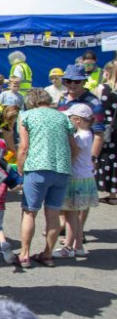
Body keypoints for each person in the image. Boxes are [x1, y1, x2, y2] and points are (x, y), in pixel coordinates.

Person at [16, 88, 75, 268]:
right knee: (53, 214)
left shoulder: (26, 116)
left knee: (29, 212)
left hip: (37, 167)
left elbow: (24, 147)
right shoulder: (63, 117)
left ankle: (24, 254)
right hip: (62, 169)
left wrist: (20, 167)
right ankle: (48, 254)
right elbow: (74, 146)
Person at [56, 64, 106, 238]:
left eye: (76, 81)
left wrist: (93, 157)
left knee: (82, 195)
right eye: (68, 81)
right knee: (65, 190)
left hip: (84, 151)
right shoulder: (63, 99)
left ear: (83, 81)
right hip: (65, 151)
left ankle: (79, 230)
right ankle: (65, 224)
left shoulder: (93, 102)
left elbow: (99, 133)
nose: (72, 84)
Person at [55, 103, 97, 259]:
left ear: (78, 120)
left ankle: (68, 247)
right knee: (76, 215)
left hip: (76, 178)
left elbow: (73, 156)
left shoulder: (81, 137)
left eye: (71, 118)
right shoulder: (88, 134)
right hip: (84, 177)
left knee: (70, 214)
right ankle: (78, 246)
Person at [95, 61, 117, 204]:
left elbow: (95, 109)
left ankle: (111, 193)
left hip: (106, 129)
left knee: (106, 158)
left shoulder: (102, 88)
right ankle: (114, 194)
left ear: (108, 72)